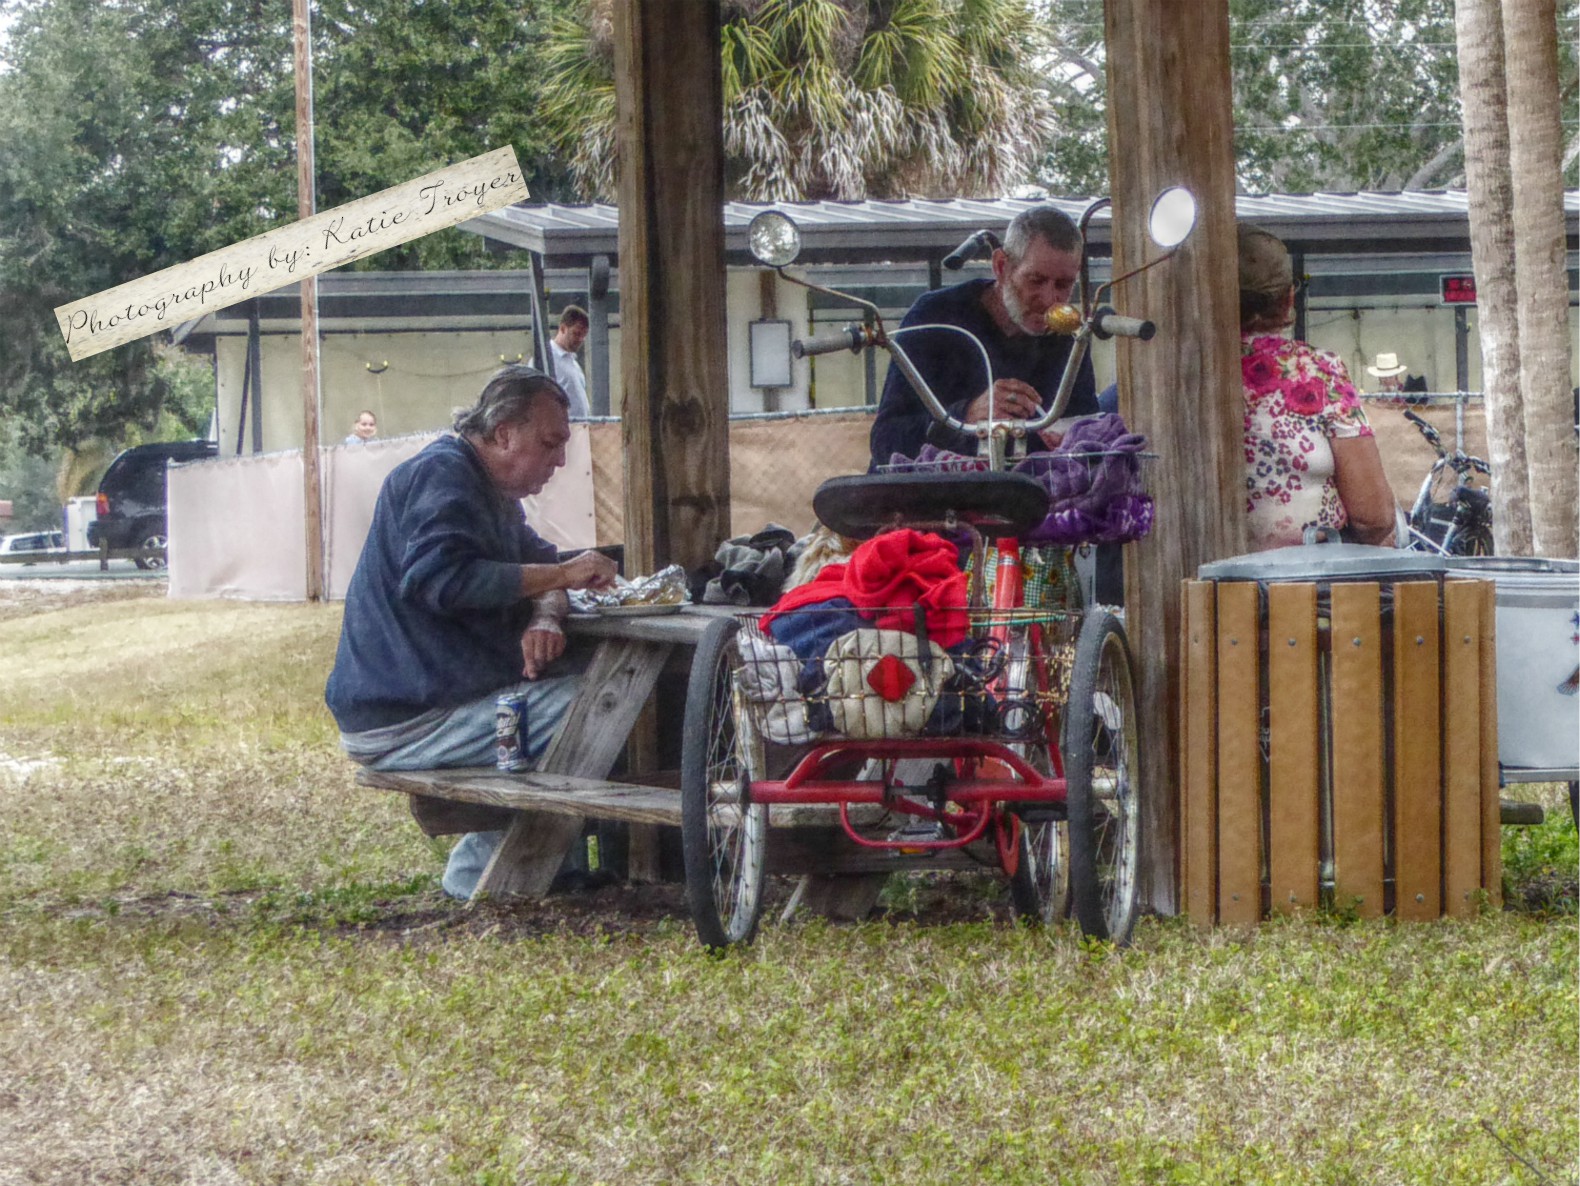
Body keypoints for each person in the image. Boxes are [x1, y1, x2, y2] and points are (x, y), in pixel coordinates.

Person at [325, 365, 618, 898]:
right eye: (550, 443)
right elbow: (442, 580)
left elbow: (543, 566)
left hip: (440, 701)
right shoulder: (442, 476)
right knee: (608, 701)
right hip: (407, 718)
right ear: (504, 433)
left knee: (595, 688)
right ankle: (481, 877)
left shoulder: (488, 490)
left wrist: (546, 615)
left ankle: (546, 868)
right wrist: (561, 577)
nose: (560, 460)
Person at [869, 205, 1098, 469]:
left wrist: (1075, 440)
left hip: (1023, 488)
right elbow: (886, 442)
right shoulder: (936, 316)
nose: (1050, 300)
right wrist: (965, 416)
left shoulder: (1068, 337)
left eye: (1064, 285)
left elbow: (1090, 436)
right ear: (1001, 266)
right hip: (929, 488)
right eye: (1036, 281)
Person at [1239, 225, 1396, 550]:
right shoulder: (1317, 370)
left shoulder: (1183, 372)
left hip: (1196, 574)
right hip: (1308, 571)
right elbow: (1373, 517)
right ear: (1288, 299)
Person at [549, 305, 591, 419]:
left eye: (584, 335)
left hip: (579, 427)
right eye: (576, 333)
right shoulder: (546, 358)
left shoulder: (573, 363)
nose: (581, 339)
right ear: (563, 329)